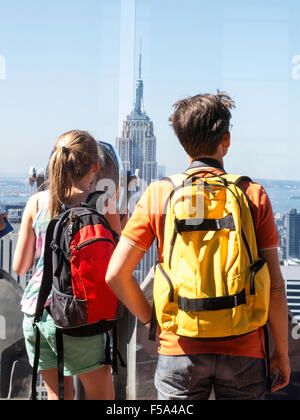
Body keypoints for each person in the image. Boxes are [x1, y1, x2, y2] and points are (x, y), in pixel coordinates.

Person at [106, 92, 291, 400]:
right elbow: (274, 286)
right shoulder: (252, 194)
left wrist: (154, 320)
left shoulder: (159, 194)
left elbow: (115, 275)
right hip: (245, 347)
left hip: (179, 345)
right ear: (226, 139)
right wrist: (282, 352)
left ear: (182, 142)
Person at [13, 130, 121, 400]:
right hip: (78, 314)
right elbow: (118, 261)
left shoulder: (36, 202)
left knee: (58, 396)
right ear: (95, 167)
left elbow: (20, 266)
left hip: (36, 313)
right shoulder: (103, 203)